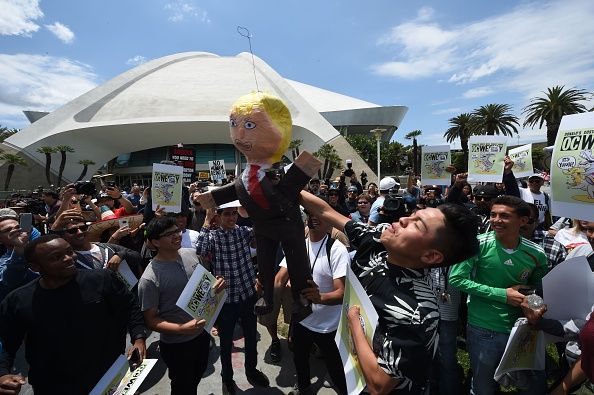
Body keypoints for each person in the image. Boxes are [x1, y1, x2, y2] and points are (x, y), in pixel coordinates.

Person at [300, 190, 479, 394]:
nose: (403, 219)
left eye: (417, 224)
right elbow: (325, 211)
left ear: (431, 256)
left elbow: (379, 385)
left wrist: (354, 324)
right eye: (411, 215)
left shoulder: (419, 313)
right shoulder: (380, 240)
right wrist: (282, 182)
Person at [194, 92, 322, 321]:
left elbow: (293, 183)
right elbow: (233, 190)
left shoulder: (278, 172)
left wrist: (303, 168)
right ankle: (266, 297)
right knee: (264, 264)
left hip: (287, 224)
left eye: (250, 125)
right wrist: (208, 199)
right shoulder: (245, 174)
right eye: (235, 125)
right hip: (262, 227)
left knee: (297, 262)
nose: (240, 134)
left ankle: (303, 297)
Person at [0, 235, 147, 394]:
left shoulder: (102, 279)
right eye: (56, 257)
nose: (68, 258)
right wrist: (2, 374)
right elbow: (7, 343)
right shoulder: (17, 301)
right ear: (34, 266)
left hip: (112, 375)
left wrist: (139, 338)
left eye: (69, 252)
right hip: (54, 386)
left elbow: (130, 306)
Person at [449, 195, 548, 395]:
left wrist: (533, 300)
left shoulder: (536, 254)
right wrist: (503, 294)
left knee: (529, 385)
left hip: (521, 329)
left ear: (523, 220)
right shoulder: (477, 244)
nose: (496, 220)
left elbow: (540, 287)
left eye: (504, 215)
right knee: (483, 387)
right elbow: (456, 279)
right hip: (484, 328)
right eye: (493, 214)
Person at [138, 216, 224, 394]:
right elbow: (151, 320)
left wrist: (217, 286)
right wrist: (182, 328)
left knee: (197, 375)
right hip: (177, 345)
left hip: (202, 335)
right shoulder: (149, 278)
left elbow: (205, 286)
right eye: (169, 234)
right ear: (155, 242)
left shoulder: (191, 253)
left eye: (176, 230)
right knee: (182, 386)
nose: (177, 235)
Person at [195, 203, 269, 395]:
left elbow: (262, 230)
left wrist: (249, 209)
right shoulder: (212, 237)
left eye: (234, 213)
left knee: (251, 338)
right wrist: (207, 217)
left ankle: (251, 371)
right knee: (226, 344)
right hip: (226, 302)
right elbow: (201, 251)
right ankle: (227, 379)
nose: (232, 218)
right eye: (227, 214)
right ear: (217, 217)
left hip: (247, 295)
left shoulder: (243, 232)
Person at [283, 211, 349, 395]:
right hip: (302, 319)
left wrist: (320, 298)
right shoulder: (299, 246)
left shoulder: (336, 249)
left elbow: (342, 293)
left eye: (319, 214)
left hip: (328, 326)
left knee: (336, 367)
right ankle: (304, 388)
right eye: (310, 213)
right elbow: (281, 276)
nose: (314, 218)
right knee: (300, 358)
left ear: (330, 221)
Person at [0, 208, 40, 302]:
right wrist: (19, 248)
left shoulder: (41, 249)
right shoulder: (3, 261)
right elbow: (10, 280)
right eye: (8, 230)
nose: (16, 231)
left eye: (18, 227)